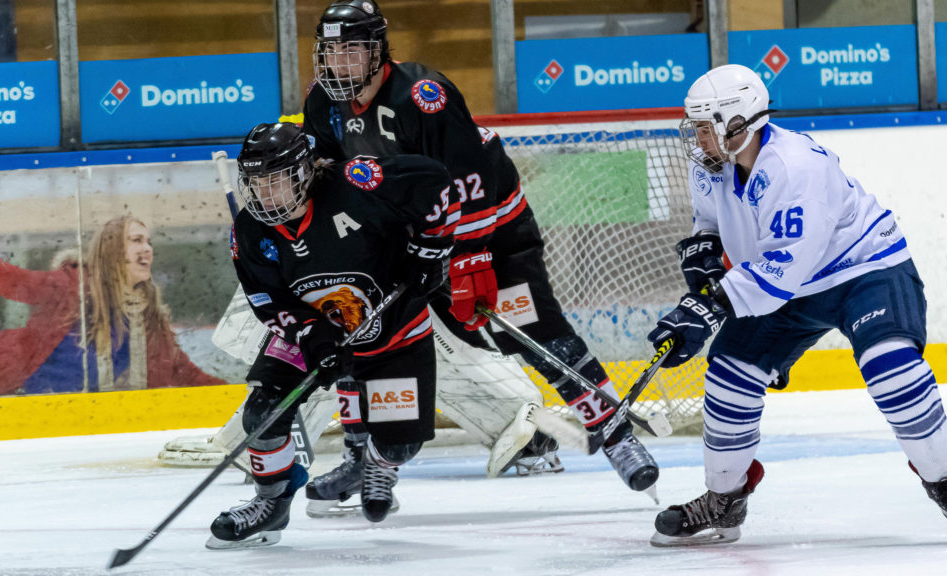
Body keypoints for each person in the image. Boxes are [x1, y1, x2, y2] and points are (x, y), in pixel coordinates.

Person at [298, 0, 659, 514]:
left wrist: (468, 260)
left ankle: (615, 434)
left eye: (353, 49)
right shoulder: (322, 104)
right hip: (409, 238)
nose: (341, 62)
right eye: (332, 51)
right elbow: (330, 185)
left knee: (538, 332)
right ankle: (365, 457)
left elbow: (471, 184)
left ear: (379, 51)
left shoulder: (425, 98)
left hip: (491, 232)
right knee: (363, 333)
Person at [647, 64, 947, 547]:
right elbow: (710, 223)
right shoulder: (710, 164)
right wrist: (704, 255)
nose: (696, 137)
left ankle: (945, 480)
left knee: (891, 369)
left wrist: (707, 309)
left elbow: (778, 274)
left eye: (705, 126)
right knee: (729, 374)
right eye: (695, 126)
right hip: (786, 285)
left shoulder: (794, 168)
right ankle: (724, 500)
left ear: (737, 124)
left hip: (863, 271)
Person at [206, 122, 458, 548]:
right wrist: (311, 333)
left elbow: (434, 182)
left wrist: (430, 249)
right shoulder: (250, 231)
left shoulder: (358, 183)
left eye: (275, 181)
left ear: (304, 173)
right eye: (254, 183)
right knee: (262, 414)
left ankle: (375, 464)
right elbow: (267, 300)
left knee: (401, 445)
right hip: (310, 339)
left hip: (394, 331)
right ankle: (271, 503)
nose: (263, 194)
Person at [0, 215, 226, 398]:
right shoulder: (73, 285)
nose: (147, 247)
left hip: (38, 401)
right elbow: (20, 281)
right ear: (112, 251)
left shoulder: (145, 318)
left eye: (148, 240)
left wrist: (238, 394)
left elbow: (181, 371)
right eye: (136, 240)